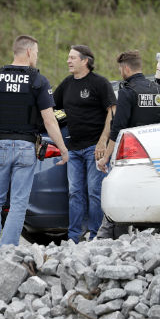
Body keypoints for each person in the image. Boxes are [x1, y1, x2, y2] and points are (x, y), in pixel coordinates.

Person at [0, 35, 69, 250]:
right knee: (18, 202)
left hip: (0, 144)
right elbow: (49, 119)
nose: (36, 56)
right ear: (28, 52)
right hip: (26, 147)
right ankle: (8, 248)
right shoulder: (38, 80)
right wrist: (63, 149)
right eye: (36, 52)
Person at [97, 50, 160, 239]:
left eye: (121, 69)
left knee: (121, 194)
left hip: (131, 154)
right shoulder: (158, 89)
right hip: (157, 154)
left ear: (126, 68)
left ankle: (111, 237)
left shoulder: (128, 92)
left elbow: (117, 127)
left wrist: (106, 157)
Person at [53, 45, 116, 243]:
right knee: (75, 194)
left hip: (94, 149)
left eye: (72, 57)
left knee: (94, 192)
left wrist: (103, 142)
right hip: (73, 149)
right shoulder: (67, 84)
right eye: (68, 57)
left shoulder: (99, 83)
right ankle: (73, 237)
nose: (68, 61)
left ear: (85, 61)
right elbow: (51, 107)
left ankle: (95, 236)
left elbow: (112, 111)